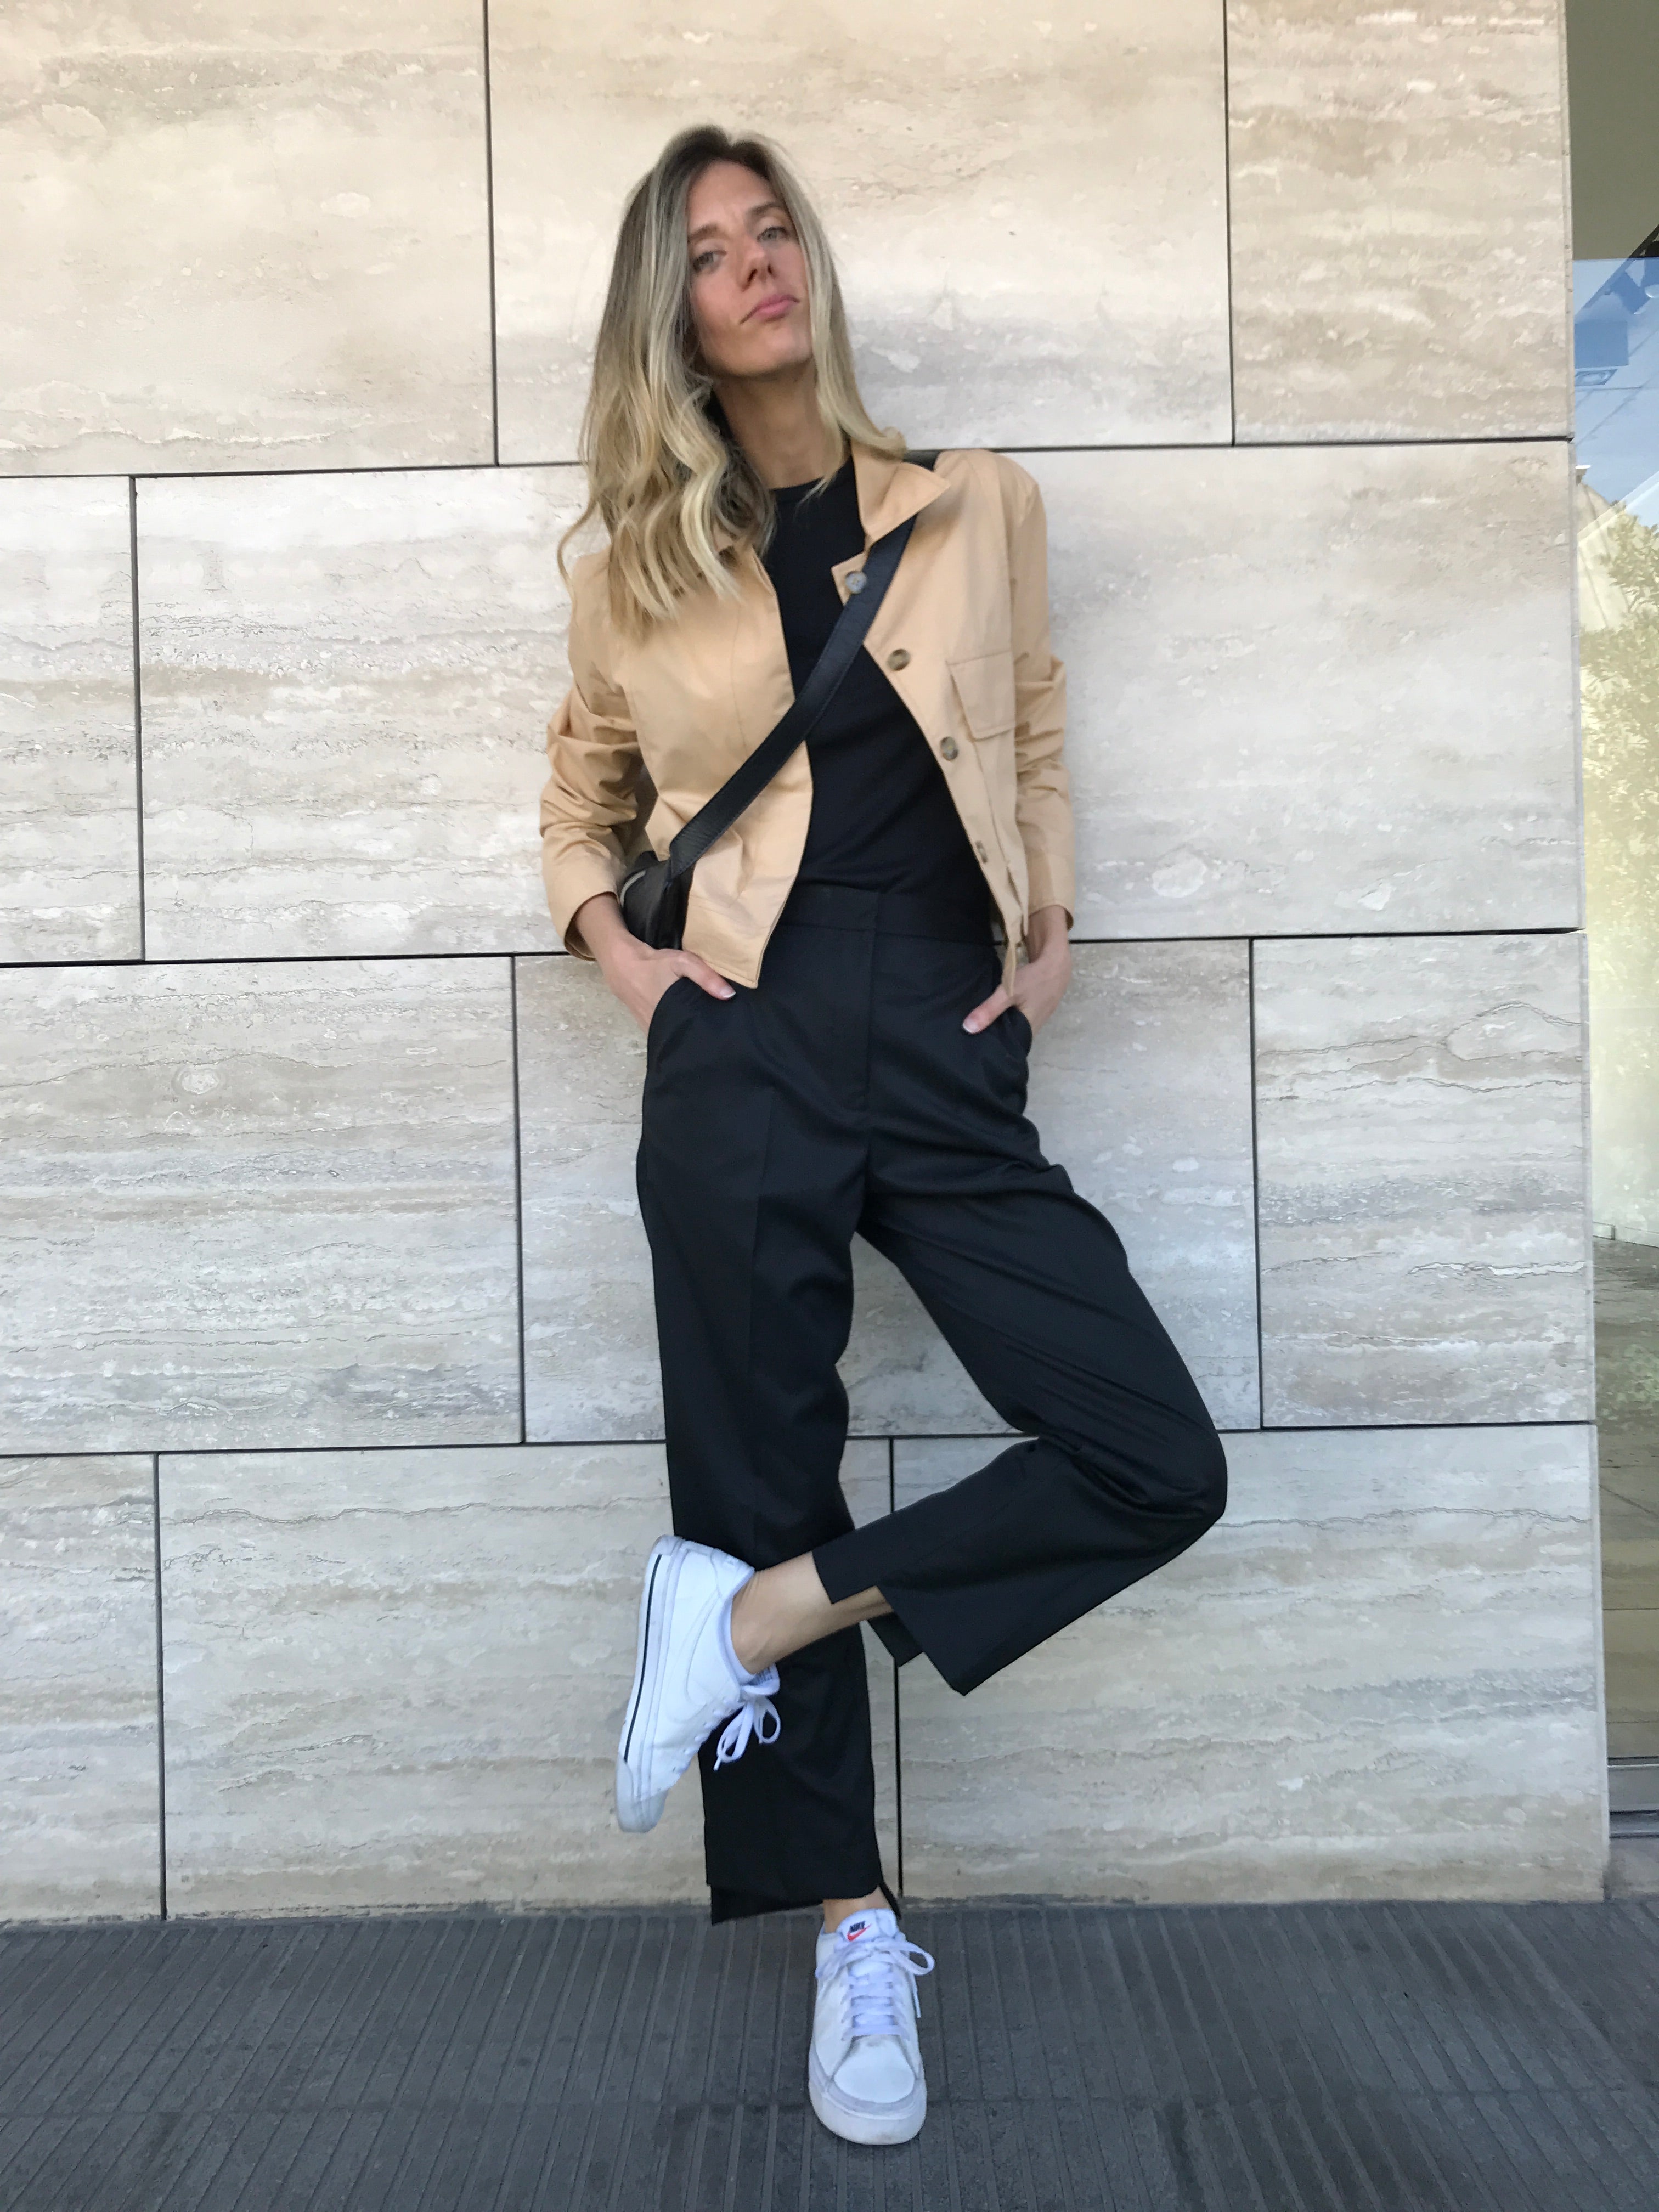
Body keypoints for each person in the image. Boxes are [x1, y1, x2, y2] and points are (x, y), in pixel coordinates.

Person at [539, 122, 1227, 2148]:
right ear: (669, 315)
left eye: (775, 232)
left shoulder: (971, 502)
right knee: (757, 1463)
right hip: (741, 1030)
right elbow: (580, 805)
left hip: (938, 1021)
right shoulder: (633, 568)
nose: (759, 265)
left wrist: (1053, 931)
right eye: (712, 250)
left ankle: (750, 1620)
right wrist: (636, 976)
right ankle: (850, 1934)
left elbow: (1032, 724)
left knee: (1150, 1453)